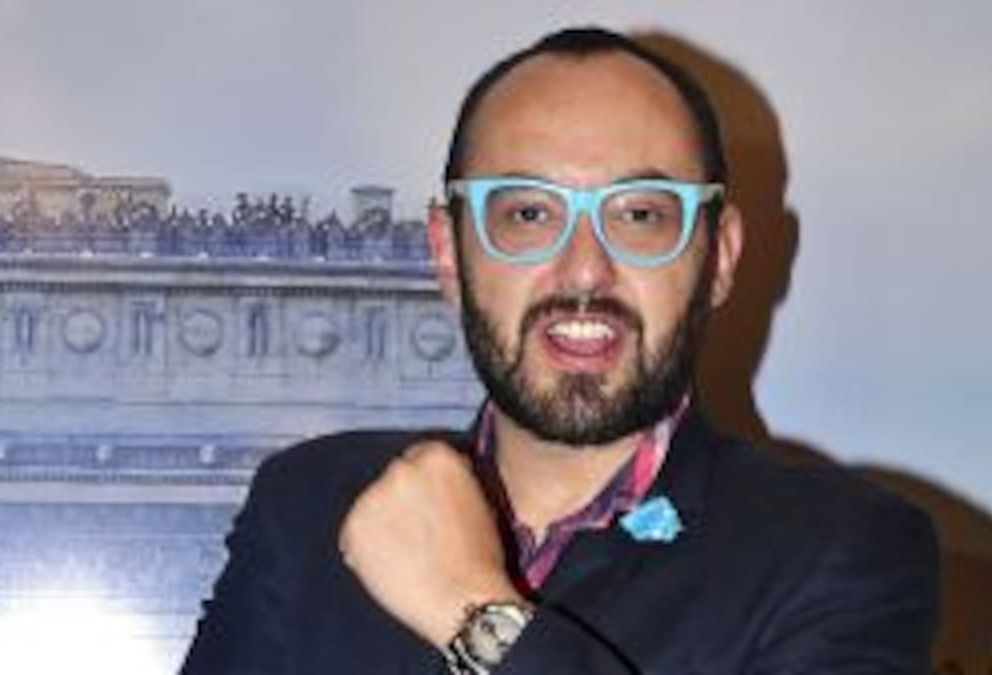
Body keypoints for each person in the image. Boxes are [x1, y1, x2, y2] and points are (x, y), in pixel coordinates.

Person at [182, 26, 939, 674]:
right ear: (448, 253)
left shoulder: (842, 550)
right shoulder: (310, 507)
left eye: (640, 214)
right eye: (528, 214)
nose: (583, 271)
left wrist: (475, 613)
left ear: (720, 257)